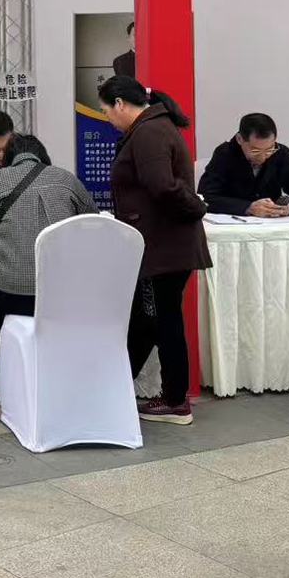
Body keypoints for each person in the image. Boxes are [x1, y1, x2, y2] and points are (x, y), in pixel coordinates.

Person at [0, 135, 95, 418]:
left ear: (9, 157)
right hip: (58, 292)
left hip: (7, 288)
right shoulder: (67, 180)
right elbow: (90, 221)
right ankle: (60, 387)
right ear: (43, 155)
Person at [99, 76, 209, 425]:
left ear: (120, 104)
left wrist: (196, 207)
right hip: (161, 243)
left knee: (162, 320)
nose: (107, 118)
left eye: (106, 110)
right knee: (153, 319)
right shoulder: (153, 127)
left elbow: (163, 187)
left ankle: (174, 400)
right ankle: (115, 388)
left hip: (162, 245)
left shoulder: (148, 133)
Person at [197, 113, 289, 218]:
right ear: (239, 139)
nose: (263, 157)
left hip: (272, 222)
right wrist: (248, 208)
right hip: (235, 223)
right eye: (255, 151)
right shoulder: (225, 154)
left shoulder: (281, 153)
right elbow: (205, 198)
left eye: (269, 150)